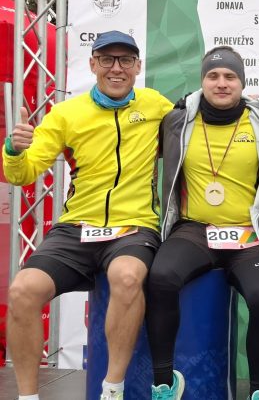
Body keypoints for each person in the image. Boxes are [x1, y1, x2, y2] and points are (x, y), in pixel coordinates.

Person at [3, 31, 172, 400]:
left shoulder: (156, 105)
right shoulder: (67, 113)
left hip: (133, 227)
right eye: (107, 59)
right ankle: (27, 396)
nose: (116, 68)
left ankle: (112, 389)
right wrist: (14, 150)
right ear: (93, 64)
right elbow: (23, 174)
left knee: (127, 277)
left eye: (125, 60)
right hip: (76, 228)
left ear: (138, 66)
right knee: (22, 291)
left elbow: (200, 123)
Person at [145, 46, 259, 400]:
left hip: (247, 232)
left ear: (242, 83)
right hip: (195, 230)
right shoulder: (176, 121)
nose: (221, 83)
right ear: (201, 82)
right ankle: (164, 383)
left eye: (230, 76)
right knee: (160, 278)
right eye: (213, 76)